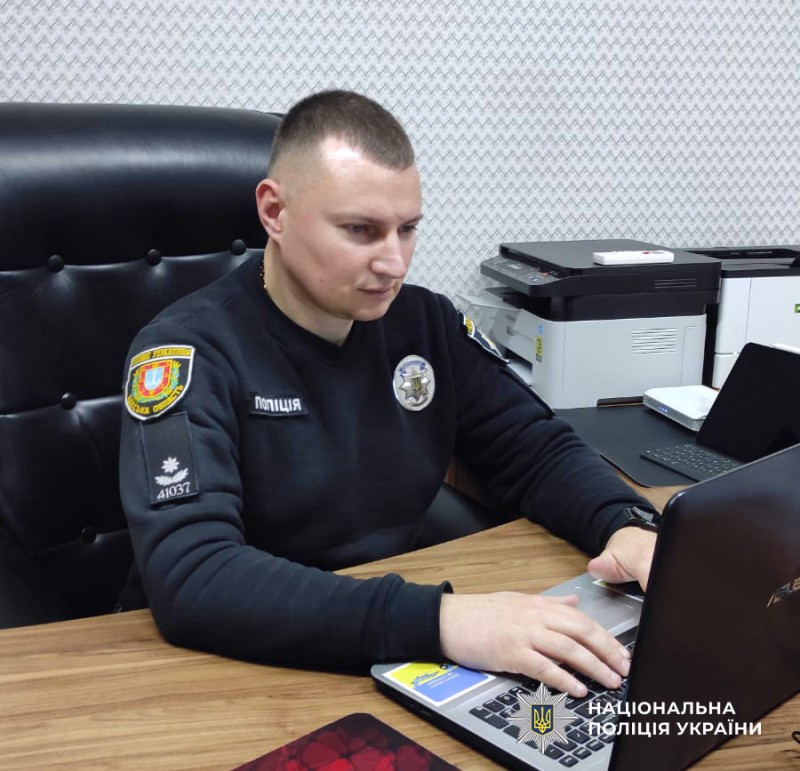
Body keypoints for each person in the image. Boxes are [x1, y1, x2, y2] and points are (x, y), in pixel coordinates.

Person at [119, 90, 657, 699]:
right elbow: (195, 576)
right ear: (274, 212)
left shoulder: (424, 323)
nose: (395, 264)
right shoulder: (185, 351)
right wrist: (442, 622)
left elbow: (534, 448)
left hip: (377, 650)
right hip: (221, 668)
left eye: (407, 229)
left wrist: (626, 525)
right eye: (361, 230)